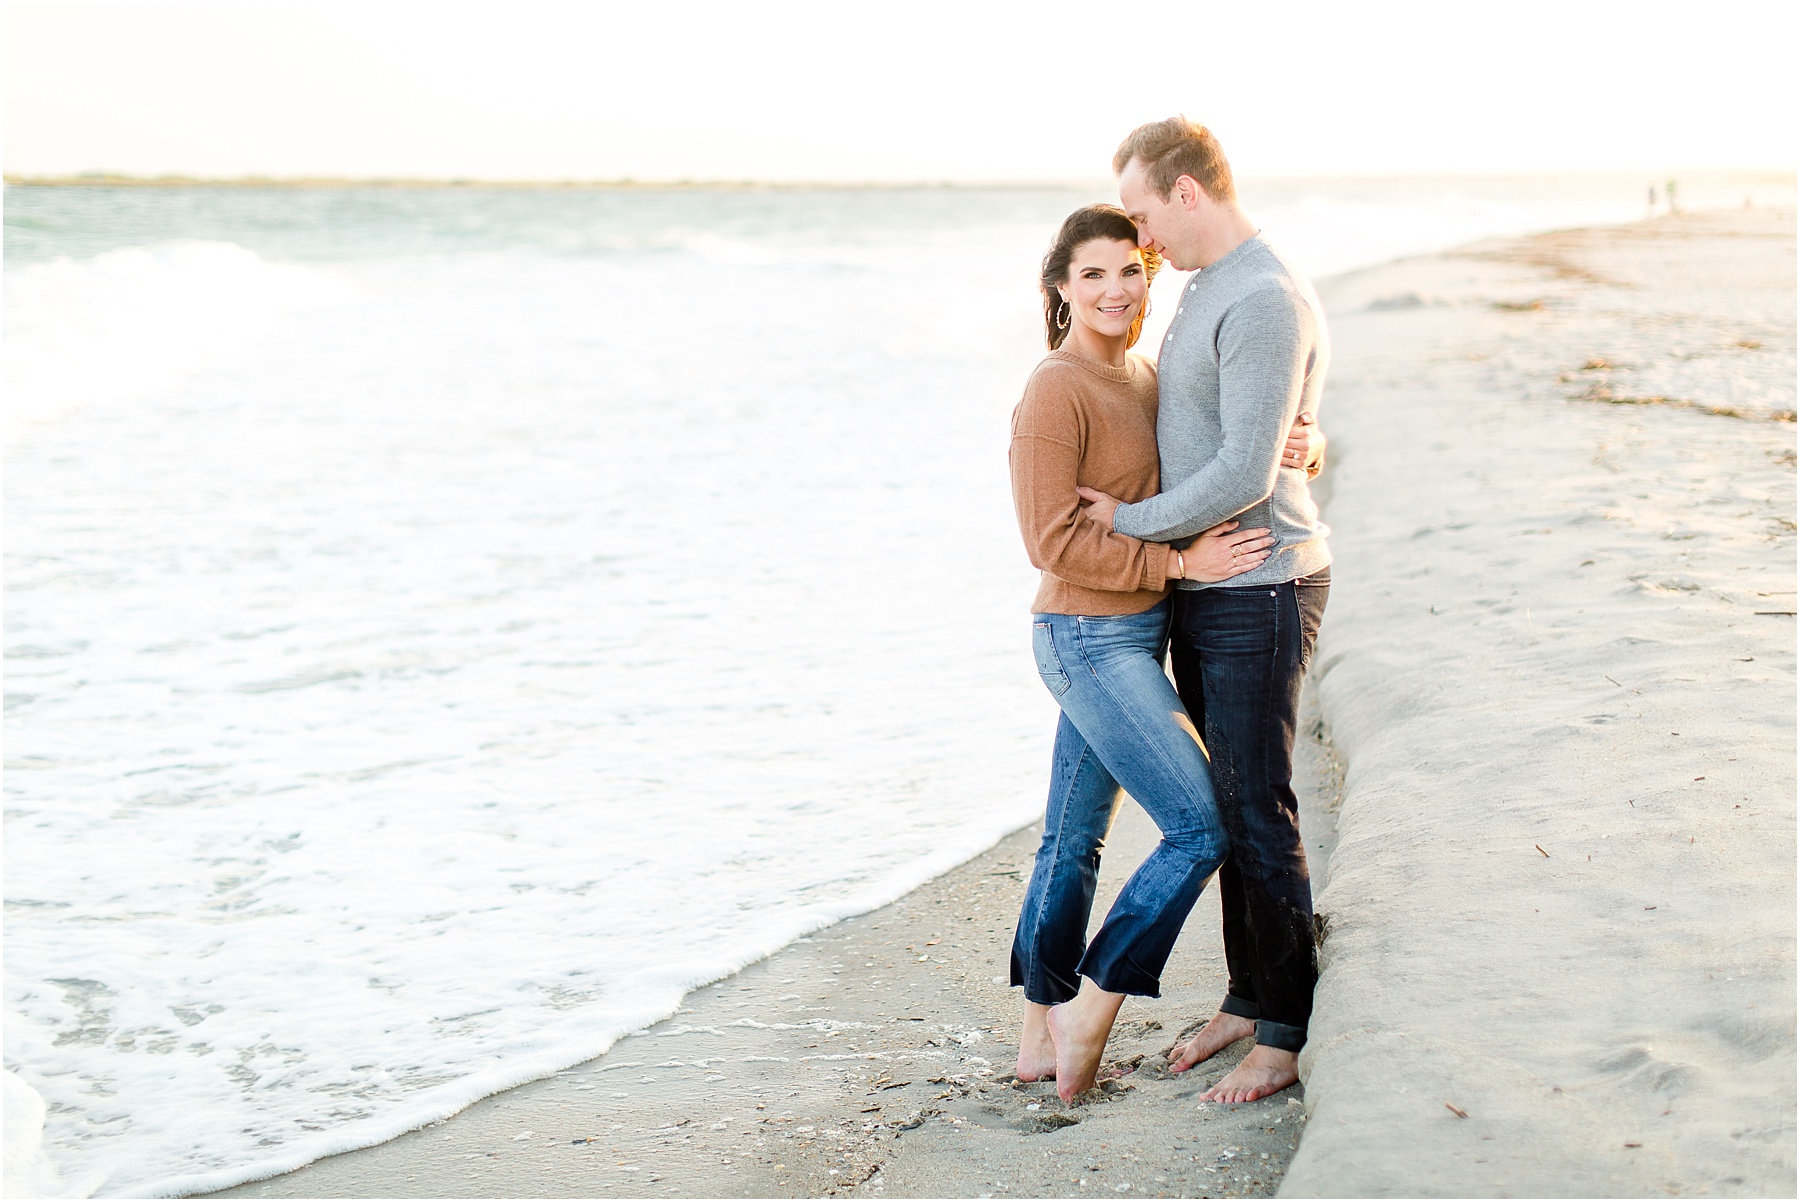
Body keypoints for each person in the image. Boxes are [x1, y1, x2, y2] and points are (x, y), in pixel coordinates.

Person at [1007, 203, 1322, 1102]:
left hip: (1140, 634)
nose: (1114, 290)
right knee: (1201, 824)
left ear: (1151, 277)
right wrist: (1177, 560)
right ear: (1061, 288)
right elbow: (1049, 539)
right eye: (1092, 274)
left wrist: (1304, 444)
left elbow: (1232, 451)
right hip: (1084, 635)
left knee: (1072, 840)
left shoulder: (1146, 377)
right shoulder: (1054, 387)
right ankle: (1091, 1000)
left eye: (1128, 271)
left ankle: (1038, 1031)